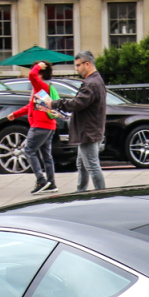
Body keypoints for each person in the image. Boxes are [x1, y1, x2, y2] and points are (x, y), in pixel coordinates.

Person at [52, 50, 107, 192]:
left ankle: (102, 195)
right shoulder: (96, 80)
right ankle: (81, 192)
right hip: (89, 128)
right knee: (82, 164)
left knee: (92, 165)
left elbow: (77, 103)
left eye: (78, 65)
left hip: (88, 130)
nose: (76, 69)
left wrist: (56, 103)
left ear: (87, 64)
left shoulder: (91, 83)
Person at [7, 61, 59, 194]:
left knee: (28, 150)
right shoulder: (40, 89)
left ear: (40, 74)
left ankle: (41, 180)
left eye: (37, 71)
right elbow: (30, 106)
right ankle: (51, 183)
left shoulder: (41, 86)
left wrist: (38, 66)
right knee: (46, 155)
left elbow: (31, 75)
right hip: (48, 125)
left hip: (40, 125)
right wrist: (16, 114)